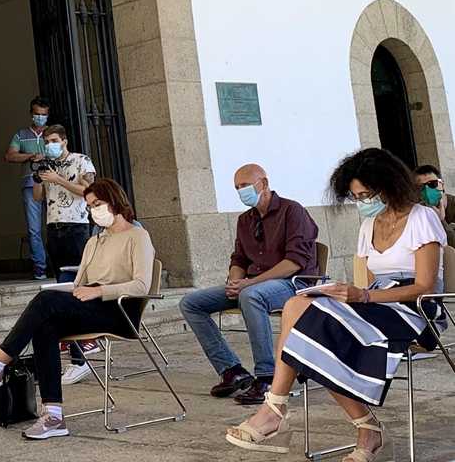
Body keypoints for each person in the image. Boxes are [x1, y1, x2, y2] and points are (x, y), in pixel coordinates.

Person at [227, 148, 448, 461]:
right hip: (380, 299)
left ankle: (283, 412)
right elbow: (371, 282)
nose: (361, 202)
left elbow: (425, 286)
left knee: (319, 331)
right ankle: (281, 408)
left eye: (367, 194)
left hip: (418, 309)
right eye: (356, 196)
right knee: (297, 306)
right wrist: (352, 294)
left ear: (389, 186)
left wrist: (363, 297)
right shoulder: (369, 226)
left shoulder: (421, 217)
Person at [0, 179, 154, 440]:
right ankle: (54, 415)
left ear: (115, 201)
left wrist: (98, 291)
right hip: (90, 307)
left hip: (120, 311)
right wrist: (77, 291)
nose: (94, 210)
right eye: (90, 205)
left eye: (98, 204)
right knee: (45, 327)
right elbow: (81, 282)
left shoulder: (137, 236)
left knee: (46, 300)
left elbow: (142, 284)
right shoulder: (95, 242)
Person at [179, 164, 319, 405]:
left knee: (252, 296)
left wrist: (249, 284)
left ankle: (267, 376)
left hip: (292, 284)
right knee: (191, 303)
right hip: (253, 283)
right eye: (237, 187)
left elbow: (295, 262)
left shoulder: (292, 211)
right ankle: (232, 371)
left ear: (263, 184)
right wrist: (235, 281)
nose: (240, 191)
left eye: (244, 185)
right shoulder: (246, 219)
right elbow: (240, 258)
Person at [33, 124, 99, 382]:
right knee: (62, 287)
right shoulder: (48, 165)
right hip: (54, 227)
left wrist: (58, 179)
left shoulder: (81, 161)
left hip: (77, 227)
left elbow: (88, 192)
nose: (49, 144)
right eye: (46, 141)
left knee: (78, 285)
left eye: (53, 140)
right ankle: (76, 348)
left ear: (64, 140)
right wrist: (39, 179)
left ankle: (82, 350)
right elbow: (38, 197)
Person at [5, 96, 51, 280]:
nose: (40, 117)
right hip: (30, 184)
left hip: (54, 183)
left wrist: (45, 156)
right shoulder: (21, 135)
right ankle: (39, 267)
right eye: (37, 114)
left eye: (44, 114)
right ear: (31, 113)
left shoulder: (54, 133)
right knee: (34, 229)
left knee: (58, 225)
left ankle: (61, 264)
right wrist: (31, 156)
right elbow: (9, 156)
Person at [414, 164, 455, 246]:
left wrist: (440, 221)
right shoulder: (416, 212)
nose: (427, 190)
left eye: (432, 184)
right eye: (421, 187)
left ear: (442, 184)